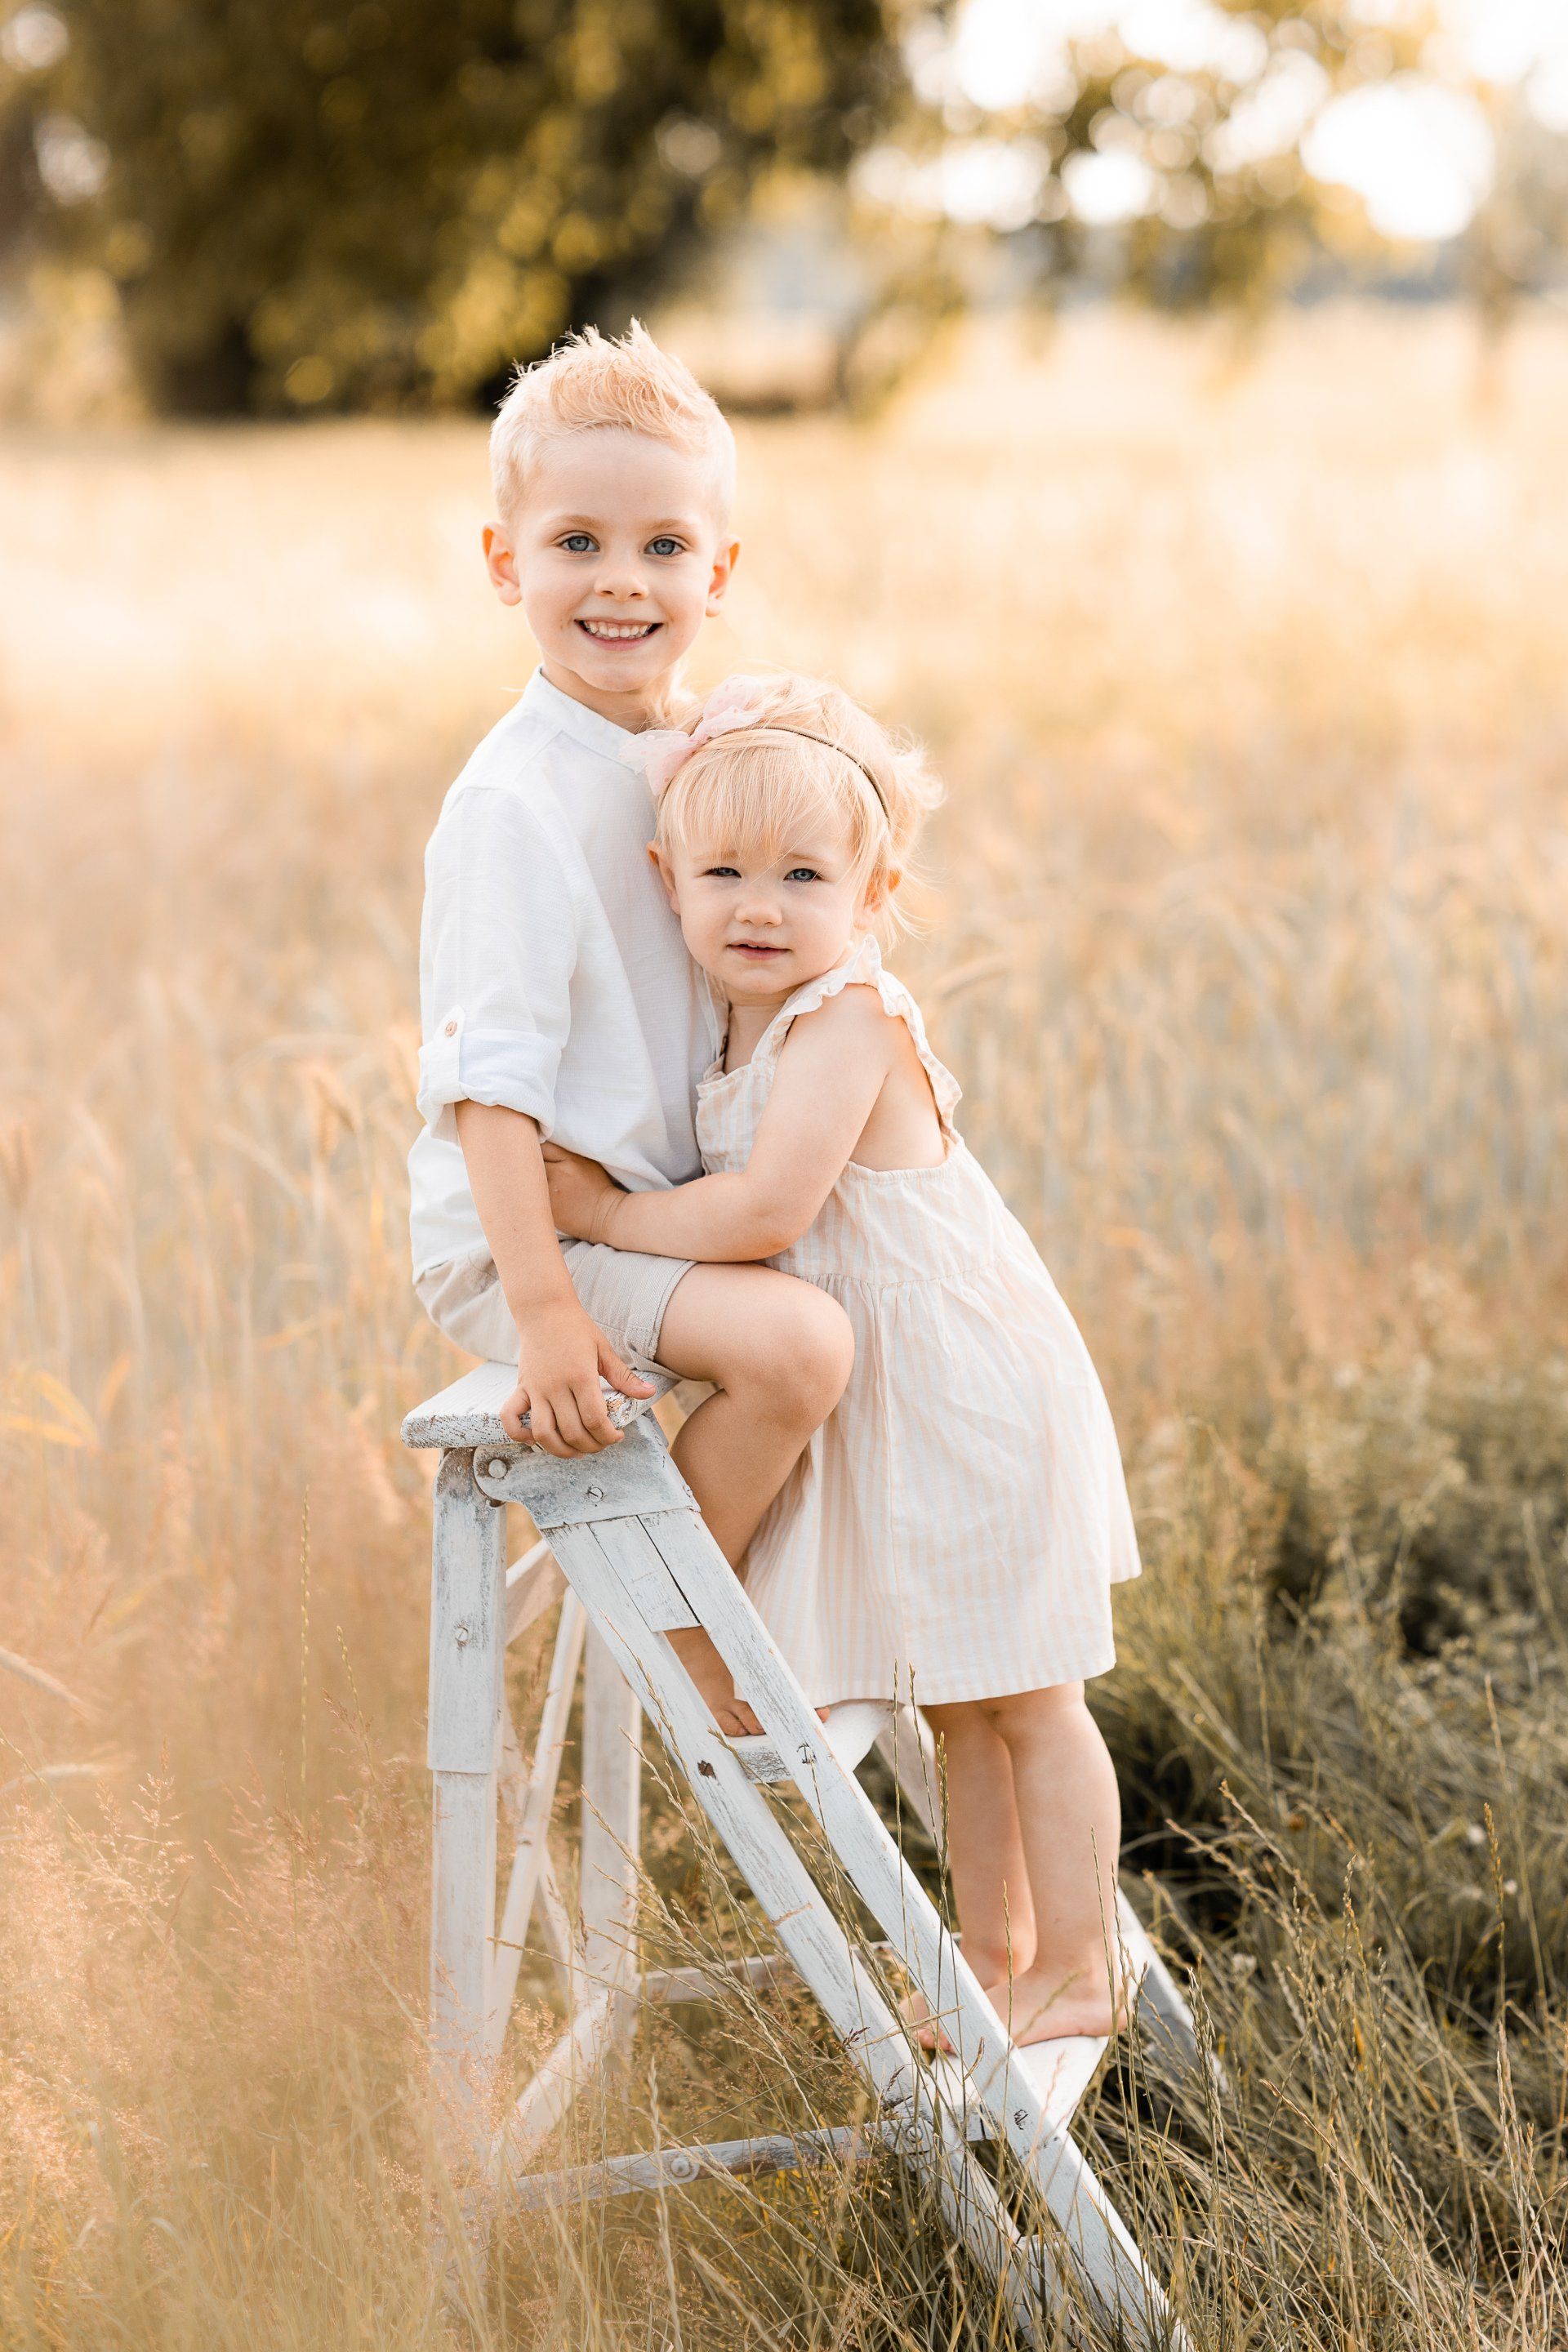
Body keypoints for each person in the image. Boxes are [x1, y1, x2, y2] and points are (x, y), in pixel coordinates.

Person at [542, 670, 1143, 2045]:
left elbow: (765, 1215)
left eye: (804, 875)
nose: (761, 905)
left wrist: (603, 1216)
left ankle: (1084, 1963)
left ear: (871, 891)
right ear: (666, 880)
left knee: (1033, 1700)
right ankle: (995, 1963)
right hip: (912, 1403)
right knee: (963, 1708)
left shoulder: (850, 1017)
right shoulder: (742, 1019)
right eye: (725, 873)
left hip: (973, 1393)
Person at [409, 330, 856, 1740]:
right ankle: (675, 1633)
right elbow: (490, 1098)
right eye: (577, 540)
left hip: (642, 1219)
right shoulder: (515, 803)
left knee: (864, 1314)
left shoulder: (689, 759)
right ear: (505, 564)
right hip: (531, 1244)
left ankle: (774, 1610)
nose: (621, 580)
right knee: (797, 1349)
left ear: (717, 577)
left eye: (665, 546)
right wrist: (543, 1311)